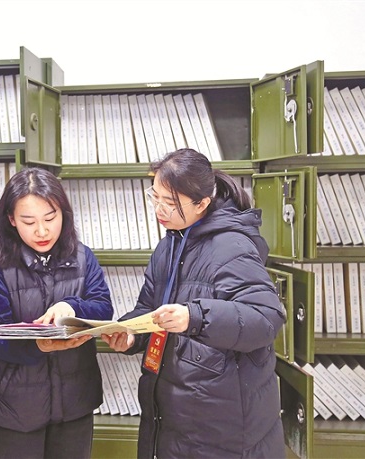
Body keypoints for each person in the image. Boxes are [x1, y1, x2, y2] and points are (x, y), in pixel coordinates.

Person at [102, 148, 287, 458]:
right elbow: (149, 309)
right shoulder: (170, 244)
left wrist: (195, 317)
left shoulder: (231, 246)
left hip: (221, 427)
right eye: (155, 197)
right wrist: (132, 335)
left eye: (170, 202)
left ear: (202, 203)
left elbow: (266, 318)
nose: (159, 209)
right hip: (174, 416)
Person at [0, 167, 113, 459]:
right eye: (29, 221)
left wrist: (71, 306)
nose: (42, 231)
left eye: (50, 218)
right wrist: (39, 345)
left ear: (63, 214)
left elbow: (103, 308)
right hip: (12, 406)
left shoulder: (83, 257)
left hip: (74, 403)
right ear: (11, 220)